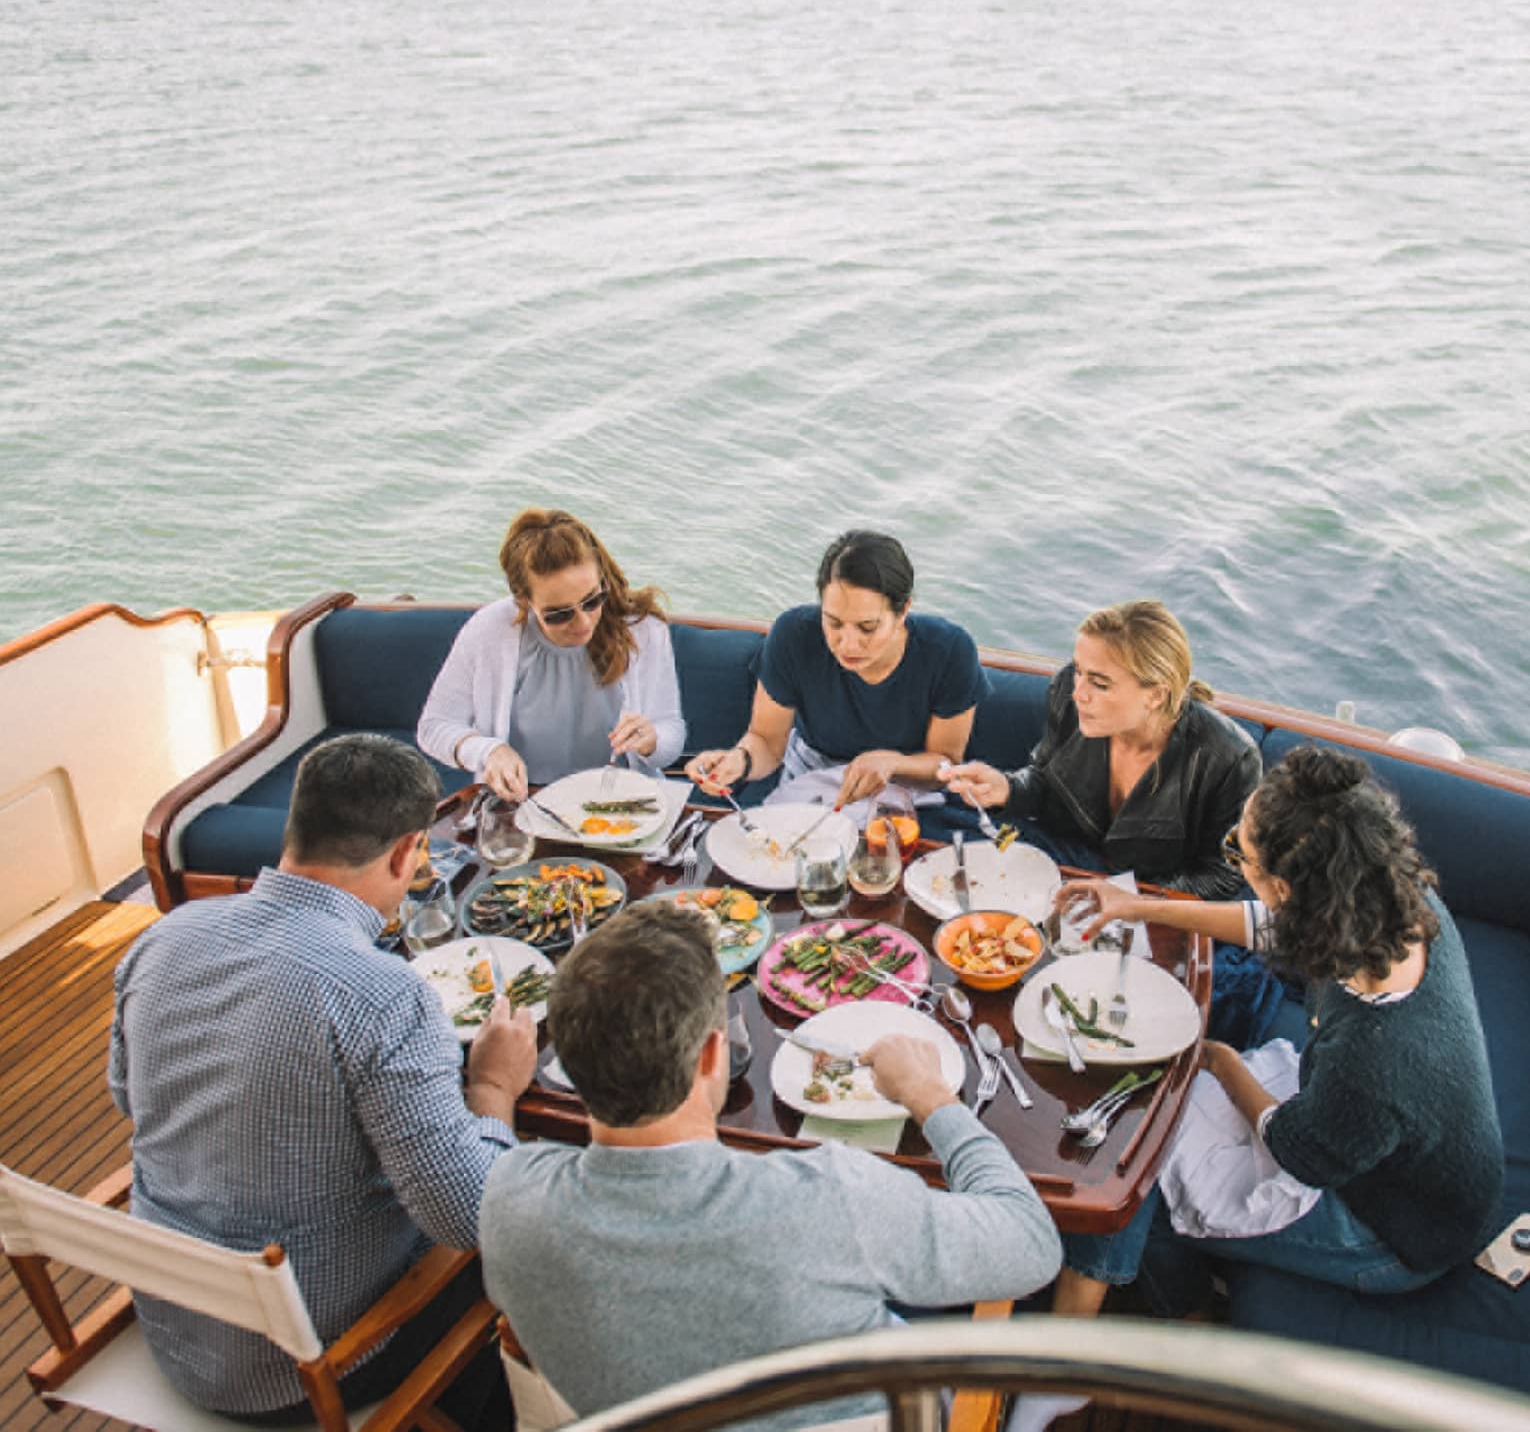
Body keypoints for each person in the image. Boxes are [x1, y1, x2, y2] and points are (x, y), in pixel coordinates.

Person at [479, 898, 1063, 1428]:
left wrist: (490, 1088)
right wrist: (931, 1097)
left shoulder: (508, 1205)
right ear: (715, 1054)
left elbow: (487, 1166)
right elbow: (1032, 1245)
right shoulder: (833, 1199)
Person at [109, 734, 539, 1422]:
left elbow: (130, 1098)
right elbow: (467, 1216)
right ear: (406, 853)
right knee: (529, 1252)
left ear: (296, 826)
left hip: (174, 1323)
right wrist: (493, 1089)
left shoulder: (163, 937)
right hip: (303, 1366)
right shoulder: (383, 995)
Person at [1049, 744, 1504, 1319]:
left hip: (1395, 1226)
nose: (1233, 856)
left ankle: (1174, 1310)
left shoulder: (1374, 1057)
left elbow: (1298, 1150)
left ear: (1287, 887)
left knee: (1140, 1179)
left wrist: (1216, 1059)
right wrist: (1138, 907)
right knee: (1151, 1127)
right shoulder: (1397, 905)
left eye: (1237, 850)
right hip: (1372, 1133)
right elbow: (1273, 927)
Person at [941, 599, 1259, 899]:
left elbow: (1224, 875)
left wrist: (1133, 899)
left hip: (1155, 898)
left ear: (1156, 696)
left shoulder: (1229, 757)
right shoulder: (1067, 691)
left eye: (1100, 683)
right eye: (1079, 670)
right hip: (1064, 866)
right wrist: (1007, 788)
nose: (1078, 692)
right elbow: (1045, 781)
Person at [684, 530, 988, 811]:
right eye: (834, 623)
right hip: (811, 775)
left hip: (907, 783)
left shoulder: (949, 650)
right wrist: (740, 760)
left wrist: (893, 763)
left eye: (867, 628)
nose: (848, 644)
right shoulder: (794, 634)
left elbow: (944, 764)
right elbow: (765, 740)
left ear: (903, 612)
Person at [417, 508, 684, 801]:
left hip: (624, 807)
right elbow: (434, 727)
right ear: (524, 600)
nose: (583, 623)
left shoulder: (643, 629)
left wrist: (651, 741)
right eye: (558, 614)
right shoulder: (489, 631)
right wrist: (488, 751)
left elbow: (671, 734)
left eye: (593, 600)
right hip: (522, 805)